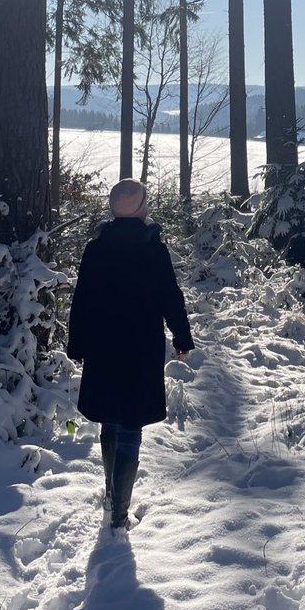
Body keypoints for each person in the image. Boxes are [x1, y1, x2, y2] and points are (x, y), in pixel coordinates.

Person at [66, 178, 195, 530]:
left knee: (110, 420)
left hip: (102, 347)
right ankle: (119, 515)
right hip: (140, 349)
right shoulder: (153, 249)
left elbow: (82, 302)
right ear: (141, 209)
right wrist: (181, 337)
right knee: (130, 427)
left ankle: (111, 498)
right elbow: (171, 297)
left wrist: (75, 344)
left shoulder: (96, 249)